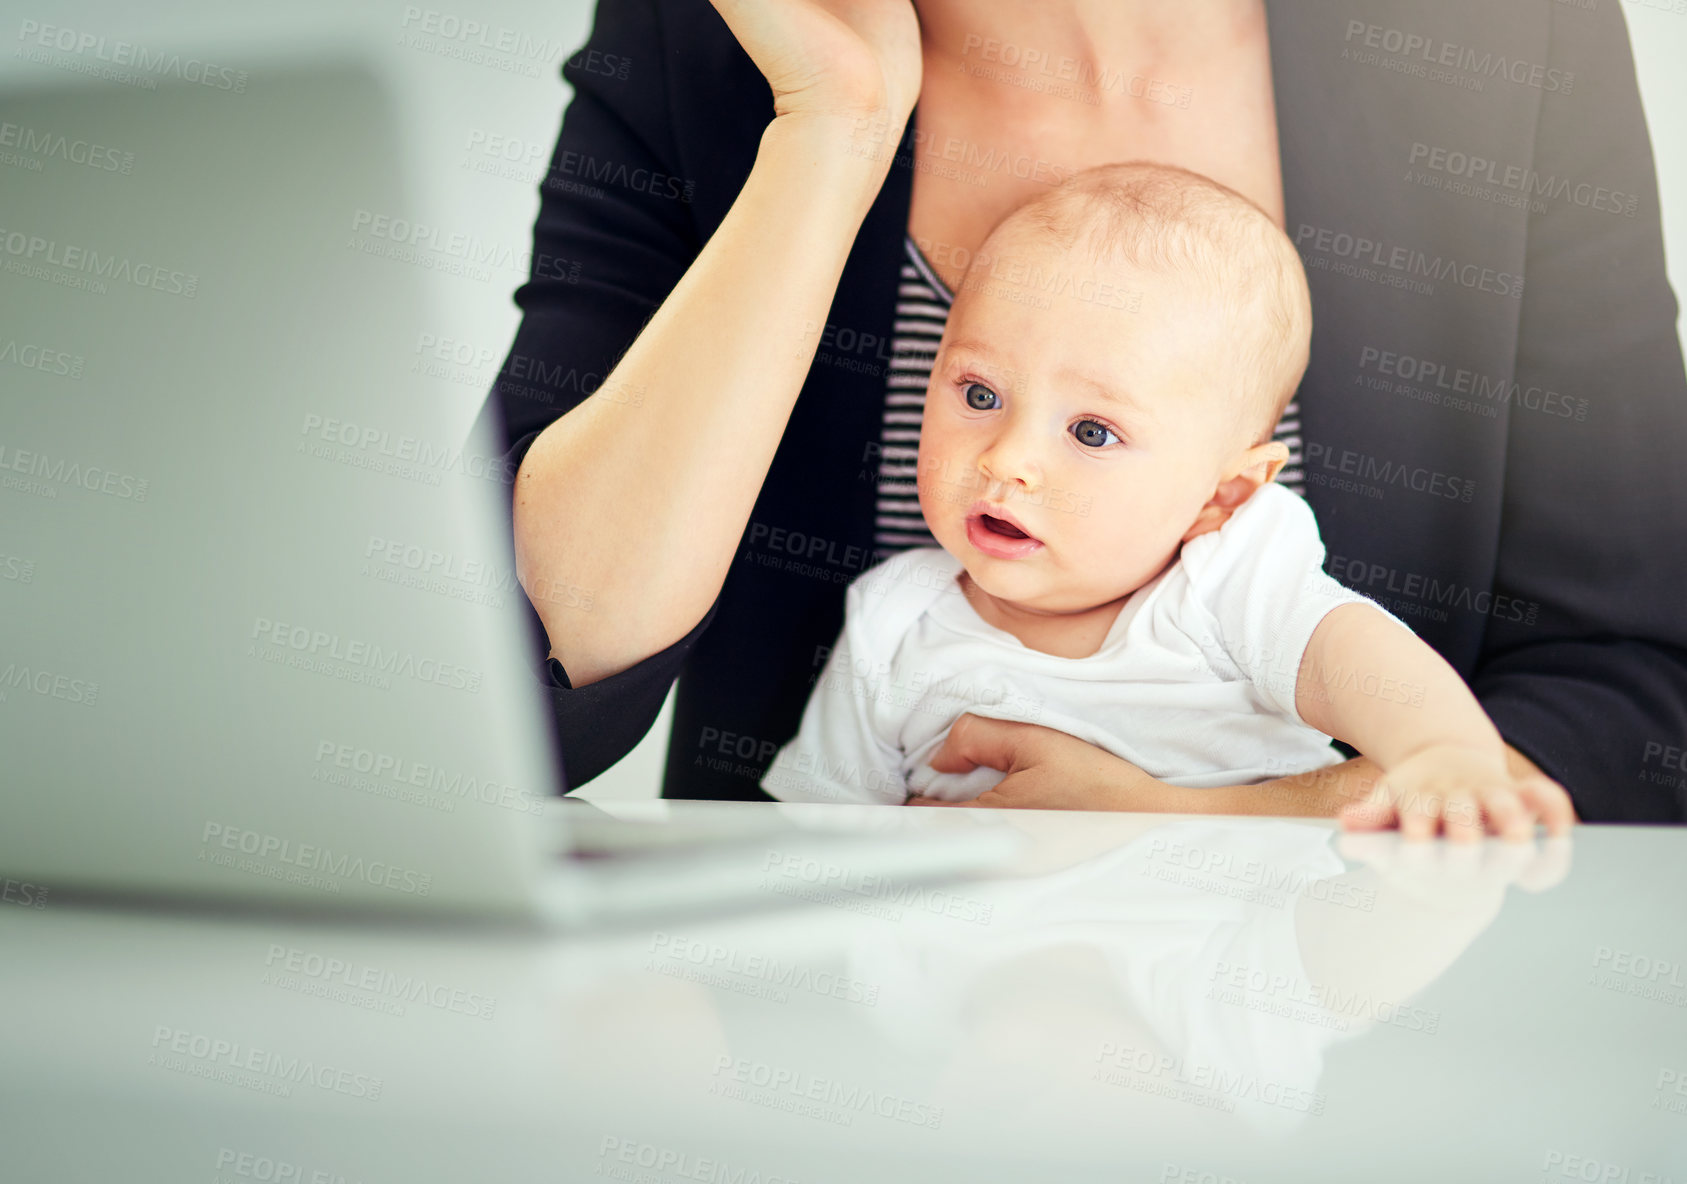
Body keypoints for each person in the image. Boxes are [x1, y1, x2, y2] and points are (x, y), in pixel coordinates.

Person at [477, 0, 1687, 826]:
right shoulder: (717, 37)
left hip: (1350, 1025)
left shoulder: (1495, 36)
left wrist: (1194, 827)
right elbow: (518, 694)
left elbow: (1635, 690)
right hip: (826, 1045)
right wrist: (829, 130)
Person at [760, 161, 1565, 839]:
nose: (1008, 459)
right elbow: (814, 838)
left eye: (1092, 433)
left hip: (1210, 974)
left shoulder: (1226, 584)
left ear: (1225, 493)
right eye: (977, 393)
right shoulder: (892, 619)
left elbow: (1352, 660)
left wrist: (1441, 755)